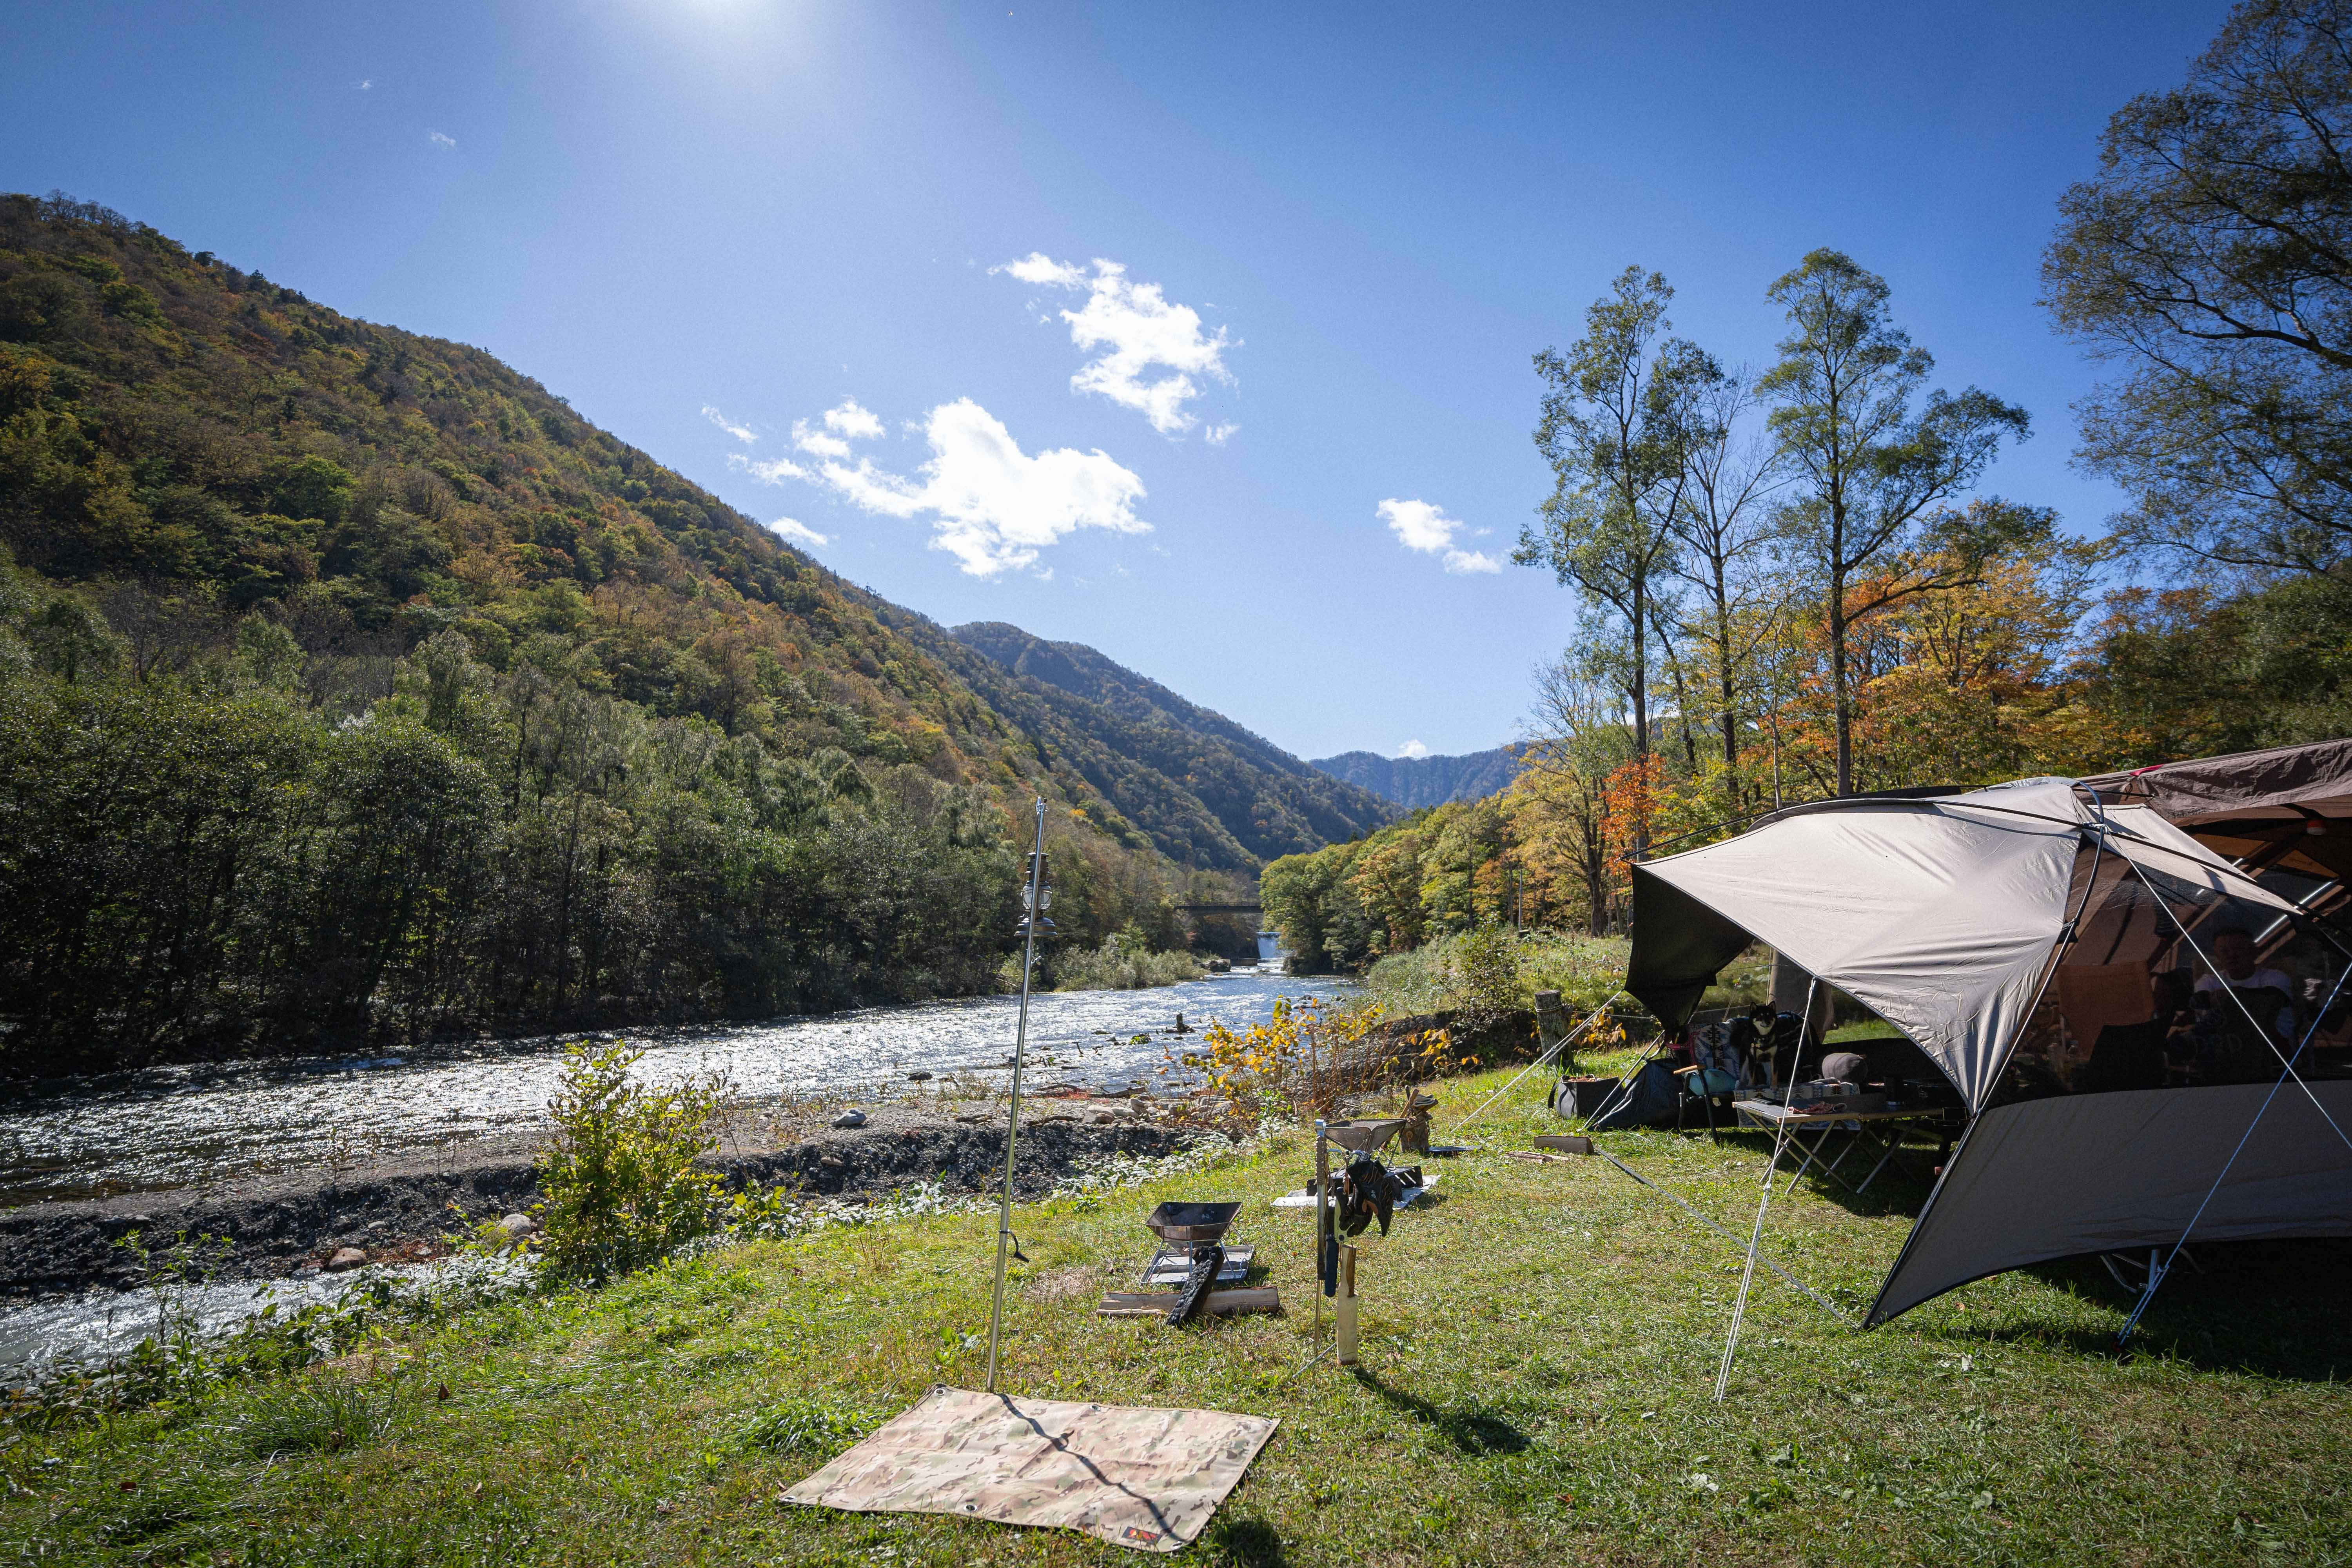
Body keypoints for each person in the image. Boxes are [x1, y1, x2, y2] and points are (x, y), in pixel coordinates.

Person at [2195, 926, 2296, 1041]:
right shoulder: (2209, 980)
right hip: (2224, 1046)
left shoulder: (2276, 977)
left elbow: (2275, 997)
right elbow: (2199, 1000)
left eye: (2238, 949)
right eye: (2224, 951)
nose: (2231, 955)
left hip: (2271, 1046)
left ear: (2254, 952)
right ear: (2217, 955)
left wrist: (2229, 997)